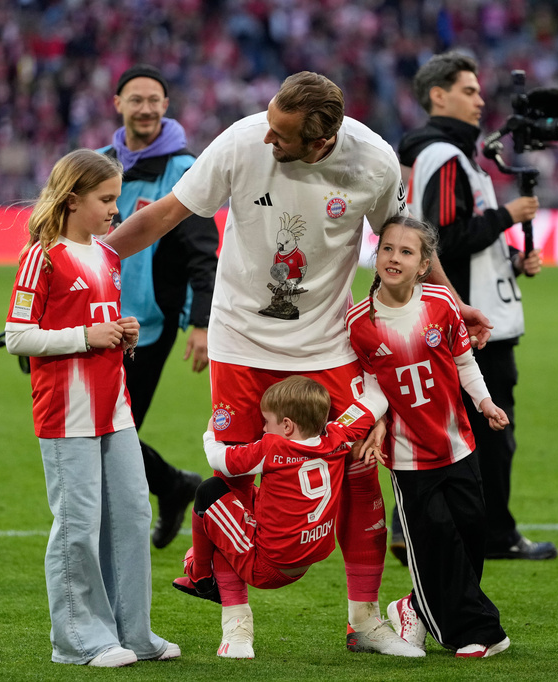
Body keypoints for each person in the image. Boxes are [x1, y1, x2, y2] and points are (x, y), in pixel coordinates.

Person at [104, 71, 490, 656]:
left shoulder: (375, 162)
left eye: (282, 135)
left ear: (321, 141)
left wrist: (454, 303)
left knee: (359, 471)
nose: (268, 138)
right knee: (235, 476)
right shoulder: (242, 140)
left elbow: (406, 241)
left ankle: (363, 621)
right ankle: (236, 625)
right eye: (269, 123)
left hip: (326, 346)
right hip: (240, 343)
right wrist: (91, 258)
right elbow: (163, 215)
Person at [4, 149, 179, 667]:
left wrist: (123, 334)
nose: (114, 207)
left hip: (114, 407)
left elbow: (100, 321)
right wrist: (85, 335)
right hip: (66, 411)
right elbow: (18, 336)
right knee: (77, 525)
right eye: (105, 198)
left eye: (116, 197)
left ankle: (134, 634)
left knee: (131, 513)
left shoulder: (105, 255)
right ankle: (78, 640)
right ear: (73, 198)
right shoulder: (42, 255)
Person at [396, 51, 558, 562]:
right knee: (490, 434)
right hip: (473, 323)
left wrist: (509, 257)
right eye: (468, 90)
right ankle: (495, 534)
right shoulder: (445, 156)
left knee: (452, 431)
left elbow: (459, 236)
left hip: (462, 312)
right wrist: (509, 214)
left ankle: (420, 529)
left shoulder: (444, 155)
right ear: (437, 95)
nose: (480, 100)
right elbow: (442, 236)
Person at [347, 215, 512, 659]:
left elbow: (463, 362)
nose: (394, 258)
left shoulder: (441, 304)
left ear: (424, 264)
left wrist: (485, 403)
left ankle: (414, 607)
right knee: (436, 540)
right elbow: (371, 386)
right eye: (387, 249)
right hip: (408, 457)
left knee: (472, 535)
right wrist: (373, 423)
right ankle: (475, 633)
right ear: (376, 255)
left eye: (406, 251)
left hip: (459, 445)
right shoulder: (359, 322)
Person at [171, 376, 421, 659]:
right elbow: (373, 402)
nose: (263, 428)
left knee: (212, 492)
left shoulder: (273, 448)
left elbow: (219, 459)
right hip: (309, 555)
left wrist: (209, 434)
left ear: (287, 425)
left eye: (266, 422)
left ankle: (201, 577)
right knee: (239, 503)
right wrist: (375, 382)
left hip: (265, 565)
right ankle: (364, 617)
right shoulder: (338, 434)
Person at [101, 64, 218, 549]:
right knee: (106, 429)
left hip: (150, 324)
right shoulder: (101, 163)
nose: (145, 108)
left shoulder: (184, 169)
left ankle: (165, 491)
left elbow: (201, 251)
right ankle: (172, 486)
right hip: (95, 318)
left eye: (154, 100)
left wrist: (201, 323)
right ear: (118, 104)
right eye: (136, 99)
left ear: (166, 106)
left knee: (111, 428)